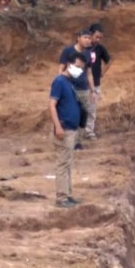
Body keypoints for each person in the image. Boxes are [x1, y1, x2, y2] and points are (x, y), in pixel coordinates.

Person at [49, 52, 87, 208]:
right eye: (77, 66)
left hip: (71, 129)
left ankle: (68, 194)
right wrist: (58, 126)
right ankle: (62, 197)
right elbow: (52, 105)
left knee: (67, 163)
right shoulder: (59, 82)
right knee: (63, 164)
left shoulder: (68, 82)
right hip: (64, 129)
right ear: (69, 64)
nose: (79, 70)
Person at [58, 29, 93, 149]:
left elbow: (88, 72)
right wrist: (61, 84)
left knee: (83, 114)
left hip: (84, 89)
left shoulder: (88, 53)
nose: (87, 40)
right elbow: (61, 68)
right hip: (70, 87)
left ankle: (78, 141)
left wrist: (92, 90)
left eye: (89, 38)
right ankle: (65, 138)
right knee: (70, 113)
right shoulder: (68, 51)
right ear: (78, 38)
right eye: (85, 37)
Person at [87, 24, 112, 140]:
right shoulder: (83, 48)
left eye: (100, 38)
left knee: (92, 109)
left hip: (95, 84)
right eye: (96, 37)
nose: (98, 40)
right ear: (90, 34)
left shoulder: (100, 49)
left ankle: (89, 131)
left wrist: (102, 73)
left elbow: (109, 60)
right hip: (83, 84)